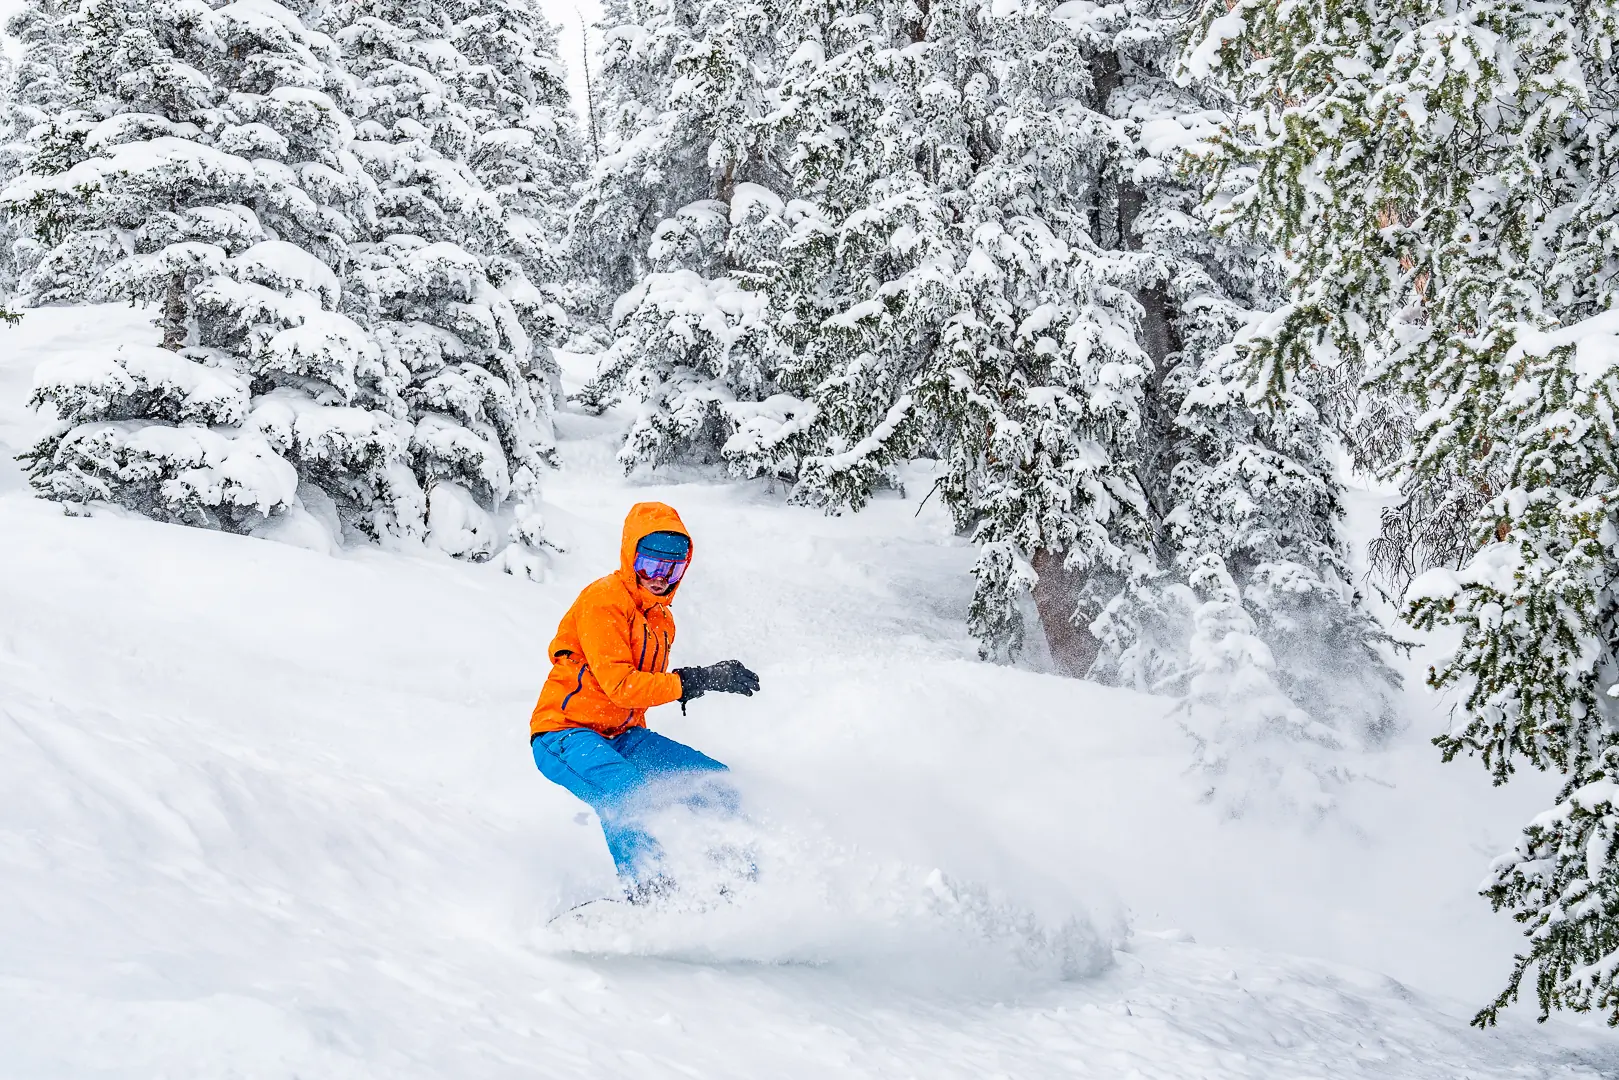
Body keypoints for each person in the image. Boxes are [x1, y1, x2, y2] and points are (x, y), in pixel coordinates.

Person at [529, 501, 761, 901]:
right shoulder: (604, 601)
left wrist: (700, 679)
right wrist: (696, 680)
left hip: (623, 734)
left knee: (717, 783)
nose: (659, 579)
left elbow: (644, 689)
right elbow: (622, 686)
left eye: (670, 569)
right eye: (650, 566)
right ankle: (651, 895)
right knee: (627, 792)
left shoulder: (661, 619)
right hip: (565, 732)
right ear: (630, 556)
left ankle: (736, 884)